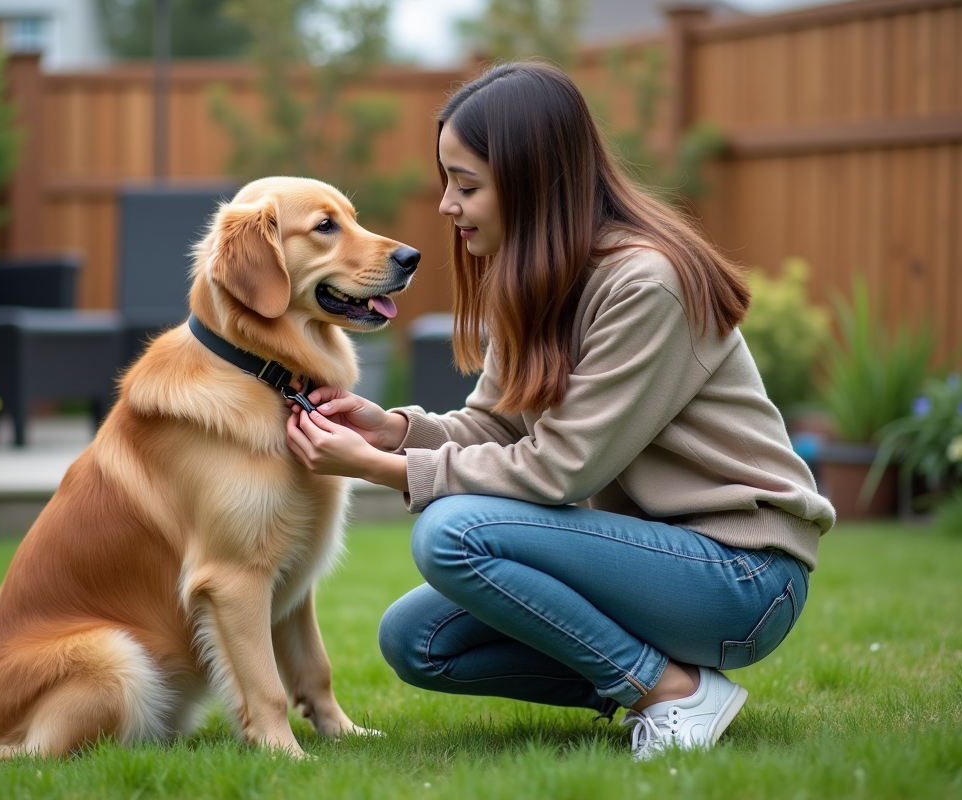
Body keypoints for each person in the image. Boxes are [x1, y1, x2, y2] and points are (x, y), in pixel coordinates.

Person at [285, 61, 835, 760]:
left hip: (742, 575)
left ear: (532, 181)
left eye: (467, 185)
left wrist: (381, 470)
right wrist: (393, 430)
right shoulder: (532, 279)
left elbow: (559, 470)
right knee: (416, 641)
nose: (447, 207)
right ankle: (668, 679)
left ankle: (668, 693)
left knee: (451, 534)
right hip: (642, 562)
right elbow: (497, 426)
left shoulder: (646, 284)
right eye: (447, 182)